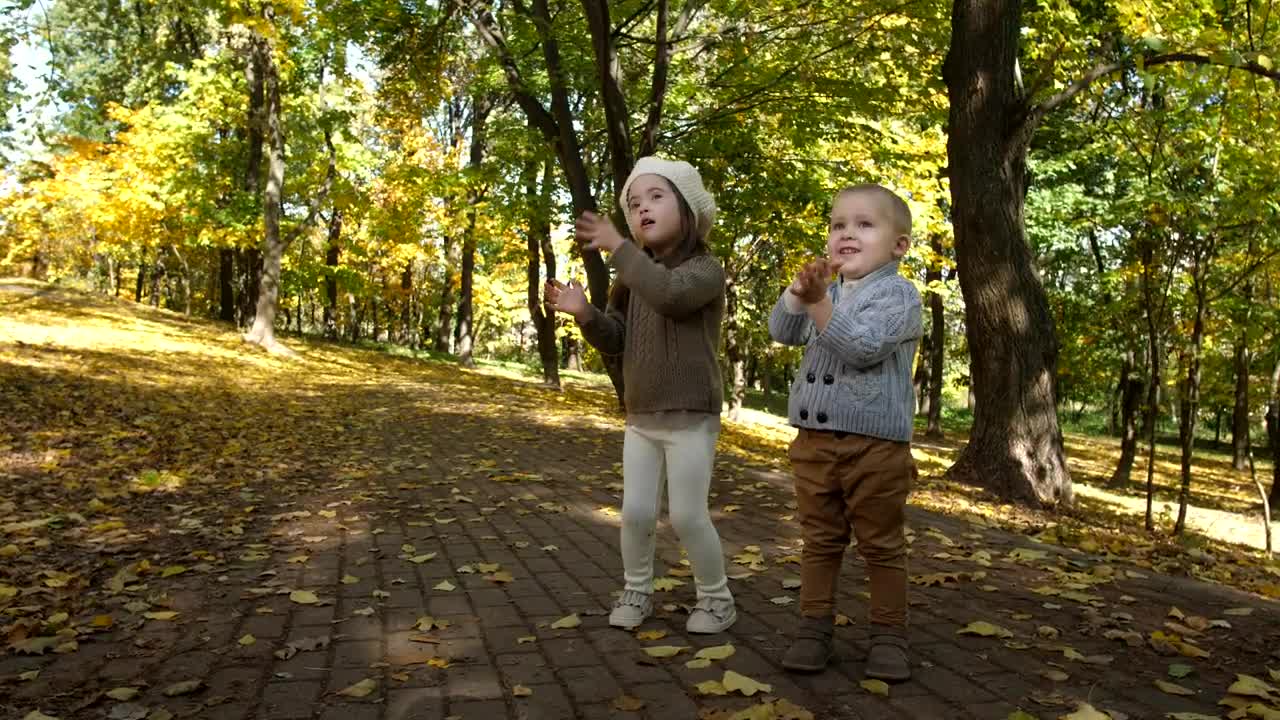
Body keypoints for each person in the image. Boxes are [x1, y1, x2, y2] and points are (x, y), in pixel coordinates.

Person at [544, 156, 736, 634]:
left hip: (691, 417)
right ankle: (636, 589)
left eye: (656, 197)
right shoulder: (631, 277)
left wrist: (618, 248)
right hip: (642, 417)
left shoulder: (706, 269)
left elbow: (671, 294)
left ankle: (717, 600)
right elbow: (617, 338)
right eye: (633, 204)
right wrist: (586, 314)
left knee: (690, 516)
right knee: (635, 513)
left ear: (687, 209)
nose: (642, 209)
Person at [767, 184, 923, 680]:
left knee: (880, 542)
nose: (846, 233)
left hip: (876, 447)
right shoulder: (826, 291)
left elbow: (862, 346)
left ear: (898, 245)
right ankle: (814, 628)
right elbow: (782, 331)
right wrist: (799, 292)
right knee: (820, 539)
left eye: (864, 224)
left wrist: (817, 304)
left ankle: (888, 635)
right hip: (813, 443)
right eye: (838, 225)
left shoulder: (899, 296)